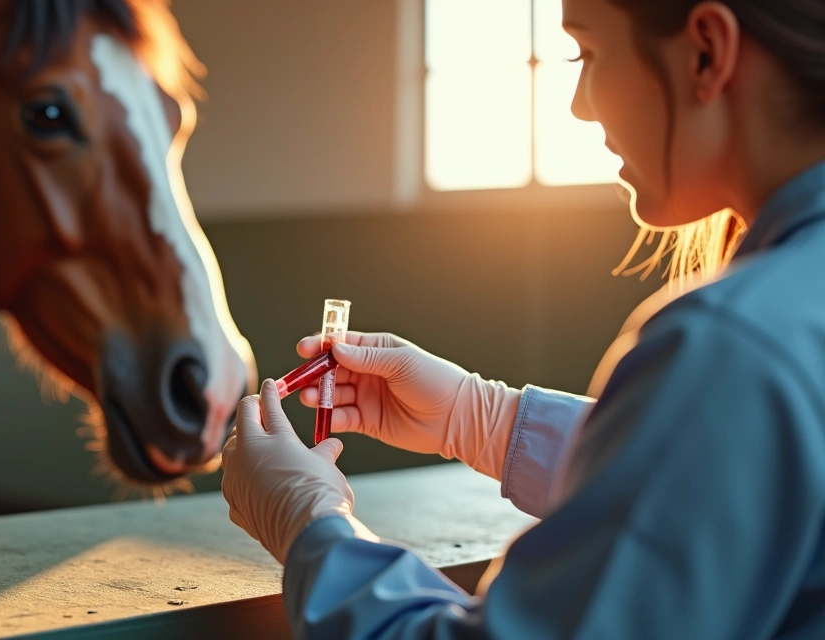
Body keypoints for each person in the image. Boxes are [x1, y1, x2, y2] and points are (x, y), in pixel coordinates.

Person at [219, 0, 825, 637]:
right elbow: (719, 489)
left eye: (586, 53)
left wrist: (310, 522)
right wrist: (479, 416)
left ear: (706, 50)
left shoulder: (727, 347)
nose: (579, 106)